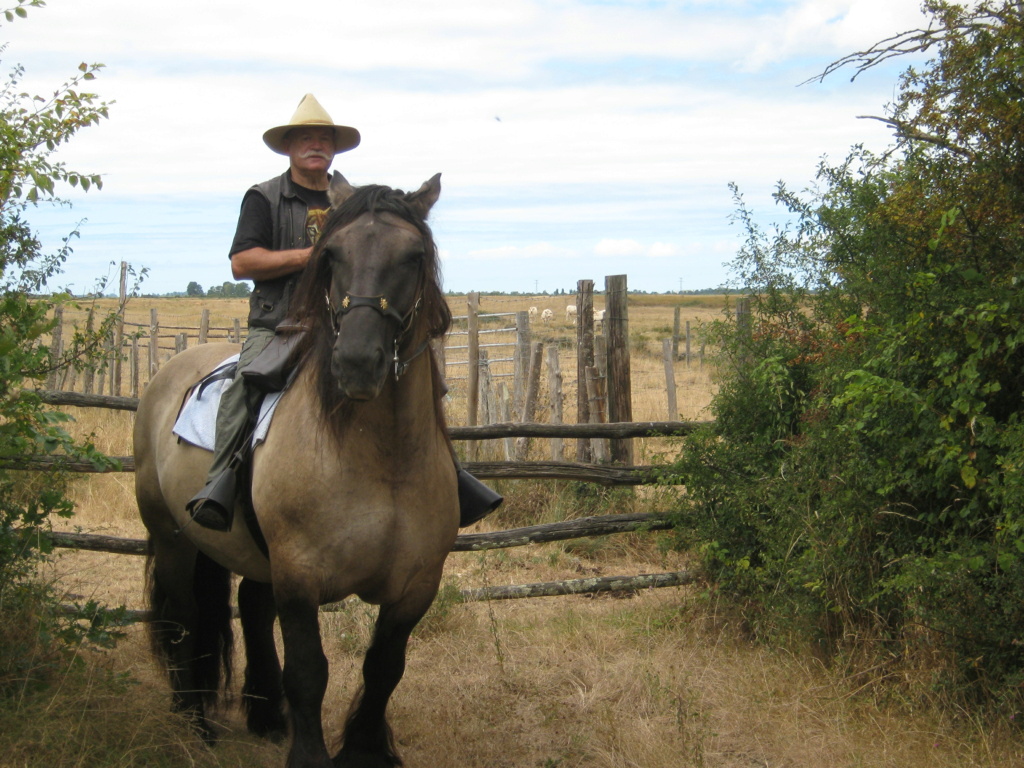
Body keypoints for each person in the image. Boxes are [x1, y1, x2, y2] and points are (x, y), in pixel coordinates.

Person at [186, 94, 501, 531]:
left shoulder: (351, 202)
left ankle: (449, 474)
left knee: (424, 382)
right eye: (305, 138)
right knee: (245, 386)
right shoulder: (264, 197)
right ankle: (219, 480)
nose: (315, 145)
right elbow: (242, 263)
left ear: (333, 149)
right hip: (280, 323)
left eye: (323, 139)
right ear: (289, 147)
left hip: (345, 321)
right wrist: (312, 256)